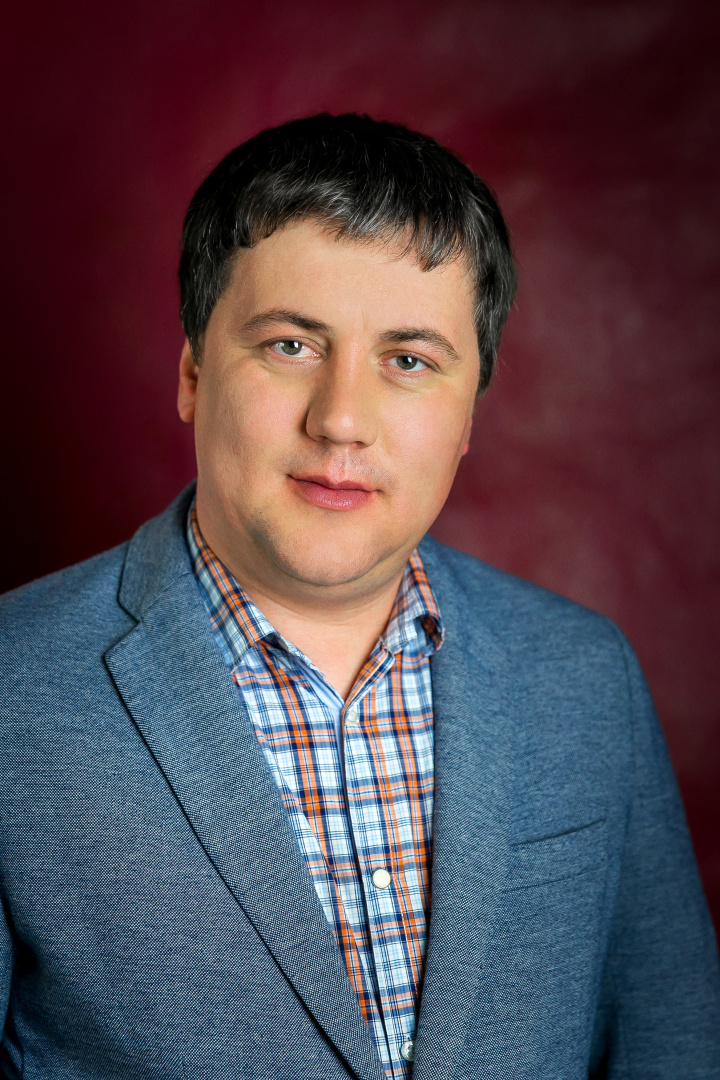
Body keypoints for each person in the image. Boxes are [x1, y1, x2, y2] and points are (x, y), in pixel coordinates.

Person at [0, 113, 718, 1080]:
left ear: (470, 412)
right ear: (193, 373)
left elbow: (673, 1044)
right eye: (291, 345)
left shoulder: (585, 674)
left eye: (408, 360)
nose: (341, 419)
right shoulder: (14, 694)